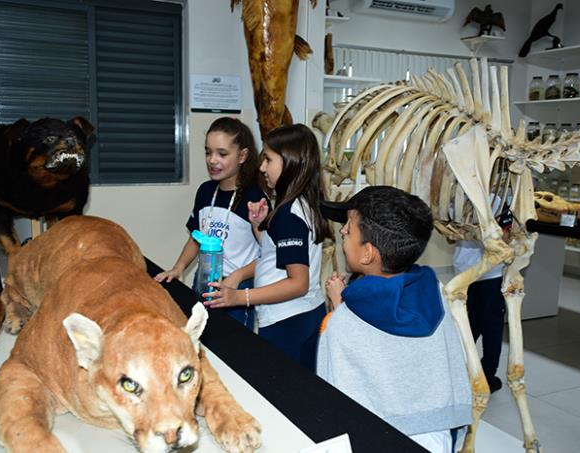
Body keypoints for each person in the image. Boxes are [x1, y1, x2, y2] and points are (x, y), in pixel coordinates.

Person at [317, 186, 472, 453]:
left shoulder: (344, 320)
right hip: (435, 437)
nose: (342, 230)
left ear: (367, 254)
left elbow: (336, 395)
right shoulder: (433, 292)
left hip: (375, 438)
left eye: (349, 229)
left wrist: (340, 307)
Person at [204, 124, 332, 372]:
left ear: (291, 162)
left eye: (268, 160)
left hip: (287, 321)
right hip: (308, 313)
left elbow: (297, 283)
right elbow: (278, 256)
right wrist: (258, 227)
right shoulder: (305, 203)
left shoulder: (288, 214)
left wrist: (241, 297)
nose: (262, 167)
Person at [154, 116, 266, 329]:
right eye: (208, 152)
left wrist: (237, 277)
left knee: (233, 347)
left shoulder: (254, 198)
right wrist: (178, 268)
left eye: (222, 154)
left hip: (236, 286)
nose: (213, 160)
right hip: (203, 279)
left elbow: (268, 255)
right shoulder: (205, 191)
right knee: (203, 337)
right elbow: (196, 237)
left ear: (242, 156)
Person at [452, 201, 513, 394]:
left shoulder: (458, 201)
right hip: (488, 274)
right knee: (488, 327)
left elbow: (450, 237)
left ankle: (467, 371)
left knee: (472, 323)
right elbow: (506, 237)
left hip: (466, 272)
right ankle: (485, 377)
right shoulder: (500, 201)